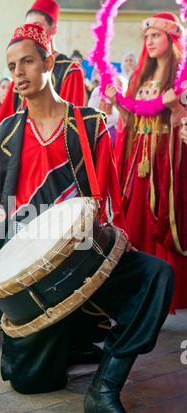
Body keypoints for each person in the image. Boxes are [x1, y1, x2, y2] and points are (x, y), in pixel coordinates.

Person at [0, 24, 174, 413]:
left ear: (49, 62)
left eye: (26, 61)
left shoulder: (89, 124)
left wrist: (118, 235)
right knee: (31, 383)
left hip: (84, 252)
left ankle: (105, 390)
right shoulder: (4, 135)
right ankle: (72, 341)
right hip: (34, 271)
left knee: (156, 275)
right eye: (11, 66)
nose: (18, 73)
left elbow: (108, 196)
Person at [105, 12, 187, 313]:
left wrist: (176, 106)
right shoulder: (141, 78)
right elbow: (130, 123)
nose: (149, 41)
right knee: (135, 221)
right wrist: (118, 104)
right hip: (139, 159)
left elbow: (185, 124)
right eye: (147, 36)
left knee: (162, 220)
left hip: (166, 163)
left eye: (156, 35)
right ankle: (136, 293)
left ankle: (164, 296)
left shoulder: (182, 79)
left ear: (171, 38)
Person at [0, 0, 85, 126]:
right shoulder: (20, 70)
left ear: (53, 29)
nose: (31, 32)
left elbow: (70, 123)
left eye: (37, 26)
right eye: (28, 27)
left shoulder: (70, 70)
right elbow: (4, 120)